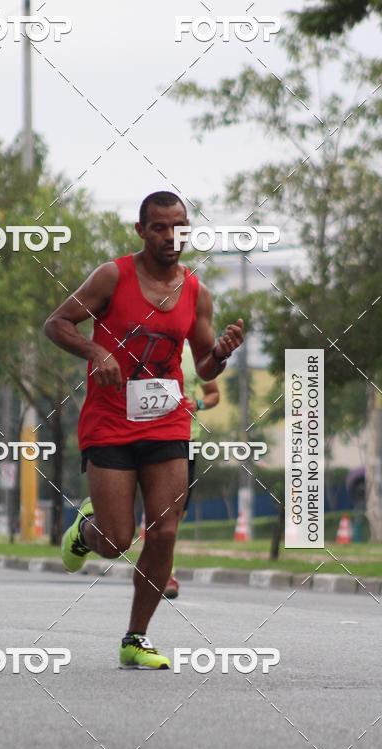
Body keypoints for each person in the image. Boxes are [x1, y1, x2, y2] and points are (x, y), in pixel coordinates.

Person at [44, 192, 242, 669]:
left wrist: (223, 352)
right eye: (159, 227)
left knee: (165, 532)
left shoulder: (196, 291)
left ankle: (136, 636)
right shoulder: (113, 276)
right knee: (116, 541)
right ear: (141, 230)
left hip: (167, 418)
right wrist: (96, 353)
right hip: (110, 422)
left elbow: (205, 367)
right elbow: (56, 323)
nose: (171, 236)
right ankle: (84, 529)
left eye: (179, 226)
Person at [163, 342, 220, 600]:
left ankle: (159, 567)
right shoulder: (146, 346)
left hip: (187, 441)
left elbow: (213, 395)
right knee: (160, 512)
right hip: (149, 437)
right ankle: (165, 574)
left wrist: (197, 404)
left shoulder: (194, 355)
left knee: (176, 513)